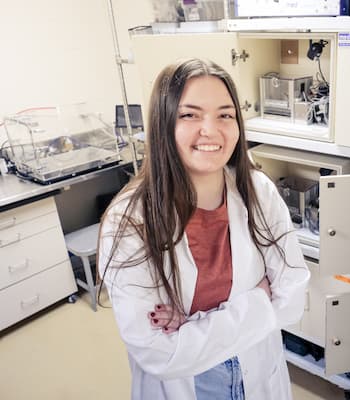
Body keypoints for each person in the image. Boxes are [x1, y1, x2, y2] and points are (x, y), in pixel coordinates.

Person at [98, 58, 310, 400]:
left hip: (257, 365)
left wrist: (194, 327)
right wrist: (260, 299)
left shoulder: (257, 190)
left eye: (225, 115)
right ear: (163, 124)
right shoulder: (131, 221)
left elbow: (294, 294)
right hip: (191, 383)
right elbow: (158, 352)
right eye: (190, 115)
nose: (211, 130)